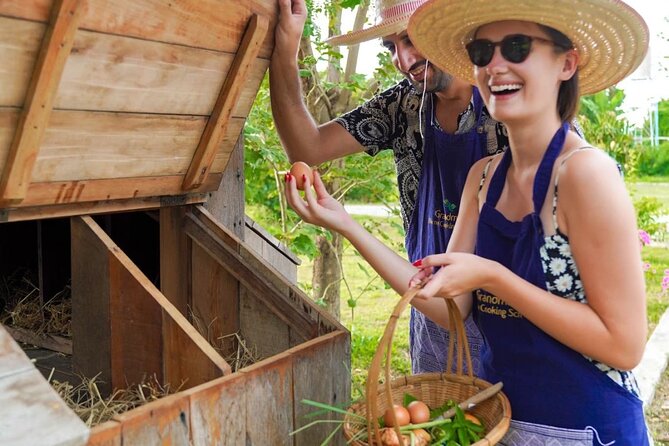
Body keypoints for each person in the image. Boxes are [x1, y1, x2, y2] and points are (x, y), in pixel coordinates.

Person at [285, 0, 651, 442]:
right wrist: (345, 223)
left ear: (566, 62)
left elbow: (625, 346)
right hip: (498, 421)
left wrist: (494, 277)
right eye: (482, 52)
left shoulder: (584, 174)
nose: (496, 65)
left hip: (584, 427)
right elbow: (449, 307)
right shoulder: (483, 178)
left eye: (517, 47)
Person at [271, 0, 510, 375]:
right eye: (391, 47)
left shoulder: (508, 104)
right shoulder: (403, 103)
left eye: (409, 40)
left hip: (507, 323)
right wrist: (285, 53)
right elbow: (307, 147)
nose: (402, 59)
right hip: (430, 311)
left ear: (445, 30)